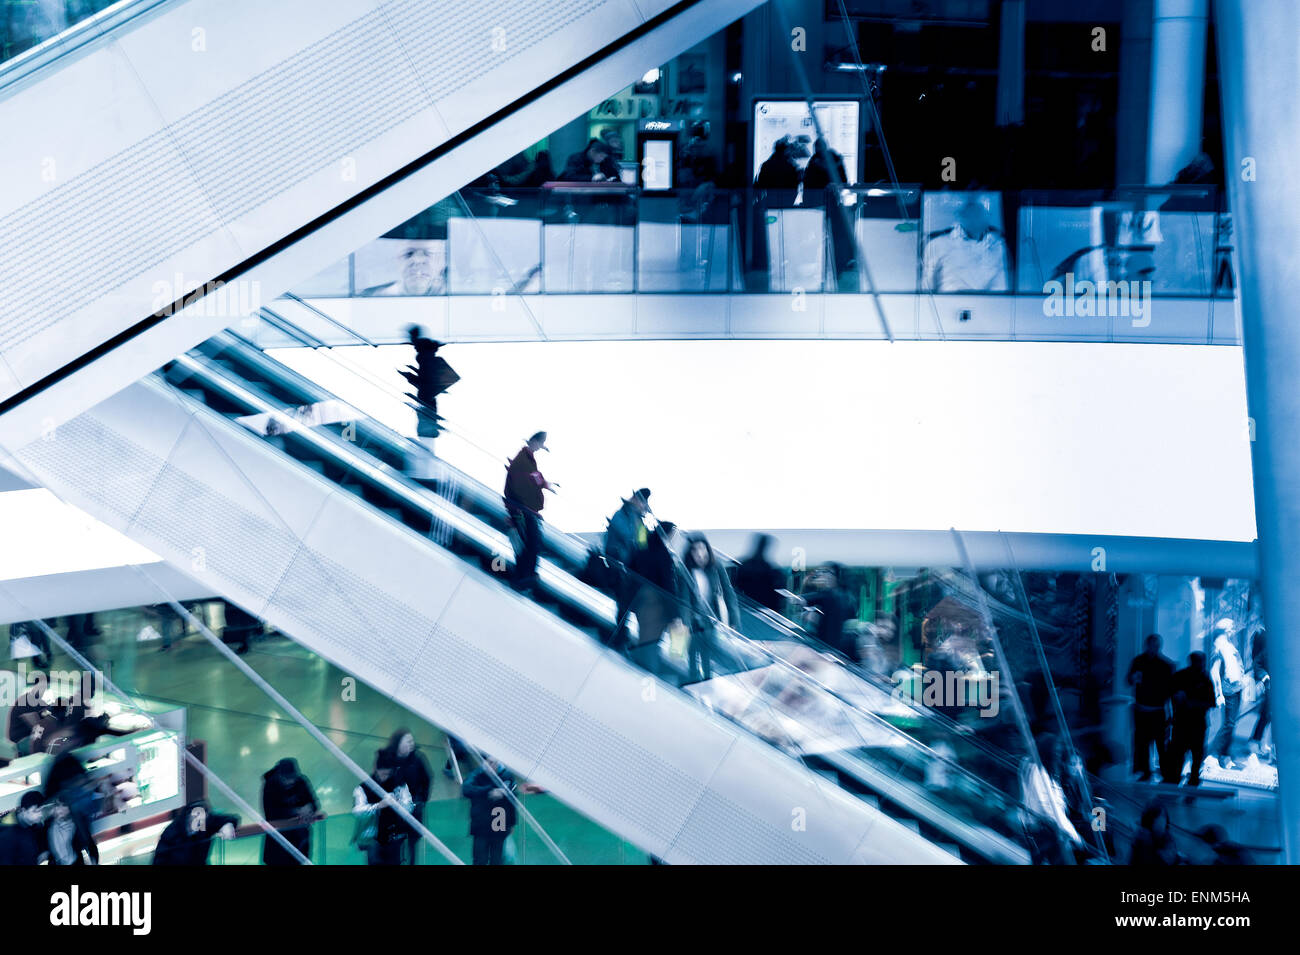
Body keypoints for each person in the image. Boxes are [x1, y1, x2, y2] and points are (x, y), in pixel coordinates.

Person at [627, 521, 690, 678]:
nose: (674, 538)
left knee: (645, 638)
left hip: (641, 602)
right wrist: (676, 616)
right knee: (651, 643)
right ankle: (647, 677)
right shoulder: (664, 555)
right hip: (656, 605)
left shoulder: (642, 547)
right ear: (666, 534)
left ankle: (639, 671)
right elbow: (668, 586)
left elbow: (630, 568)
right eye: (673, 534)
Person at [681, 533, 740, 683]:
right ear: (690, 553)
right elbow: (684, 600)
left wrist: (734, 619)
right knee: (692, 654)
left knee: (707, 654)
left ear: (707, 549)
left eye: (702, 548)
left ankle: (707, 681)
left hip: (710, 620)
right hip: (693, 621)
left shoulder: (716, 566)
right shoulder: (684, 569)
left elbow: (729, 593)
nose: (699, 554)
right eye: (694, 550)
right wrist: (685, 624)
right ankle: (693, 682)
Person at [400, 325, 459, 473]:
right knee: (426, 427)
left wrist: (409, 376)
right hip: (427, 399)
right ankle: (427, 464)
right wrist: (412, 373)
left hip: (426, 398)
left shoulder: (423, 353)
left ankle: (426, 466)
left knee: (425, 427)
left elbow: (425, 381)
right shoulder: (423, 350)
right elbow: (426, 378)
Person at [462, 755, 540, 865]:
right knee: (480, 860)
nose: (491, 766)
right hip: (481, 825)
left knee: (497, 860)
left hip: (499, 824)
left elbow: (513, 799)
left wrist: (511, 823)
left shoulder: (506, 776)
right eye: (489, 762)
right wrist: (488, 791)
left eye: (494, 762)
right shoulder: (477, 775)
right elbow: (466, 790)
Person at [922, 197, 1010, 292]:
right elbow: (926, 287)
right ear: (960, 217)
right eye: (970, 214)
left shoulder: (998, 246)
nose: (975, 219)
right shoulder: (938, 244)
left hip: (989, 304)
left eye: (978, 214)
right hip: (947, 303)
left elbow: (1001, 286)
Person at [503, 432, 554, 594]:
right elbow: (524, 483)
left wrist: (545, 484)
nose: (541, 447)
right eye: (540, 443)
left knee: (529, 544)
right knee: (530, 544)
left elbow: (534, 477)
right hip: (523, 511)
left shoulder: (528, 459)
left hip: (525, 510)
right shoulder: (523, 459)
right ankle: (523, 577)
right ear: (534, 441)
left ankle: (525, 576)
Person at [603, 488, 652, 648]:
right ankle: (620, 635)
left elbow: (642, 546)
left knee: (631, 602)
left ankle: (625, 635)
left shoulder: (640, 522)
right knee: (624, 601)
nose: (642, 505)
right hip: (618, 565)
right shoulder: (622, 514)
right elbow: (623, 538)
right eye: (640, 501)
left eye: (644, 502)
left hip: (631, 569)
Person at [352, 748, 413, 866]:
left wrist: (398, 804)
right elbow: (357, 811)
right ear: (376, 769)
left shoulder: (399, 785)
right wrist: (378, 806)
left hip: (394, 837)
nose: (384, 777)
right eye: (382, 773)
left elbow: (409, 806)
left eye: (388, 774)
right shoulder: (364, 788)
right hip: (373, 839)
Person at [1126, 633, 1175, 781]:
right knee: (1143, 743)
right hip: (1142, 709)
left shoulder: (1166, 665)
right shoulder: (1139, 662)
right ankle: (1145, 771)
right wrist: (1132, 678)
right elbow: (1128, 680)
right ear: (1146, 645)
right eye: (1151, 645)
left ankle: (1165, 772)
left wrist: (1171, 713)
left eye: (1156, 645)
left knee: (1161, 743)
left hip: (1157, 710)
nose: (1153, 648)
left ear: (1159, 646)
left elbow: (1170, 691)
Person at [1163, 652, 1216, 786]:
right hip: (1193, 721)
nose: (1201, 664)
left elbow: (1169, 694)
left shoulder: (1183, 676)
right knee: (1193, 753)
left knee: (1182, 752)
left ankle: (1176, 778)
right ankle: (1190, 779)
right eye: (1200, 661)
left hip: (1185, 721)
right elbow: (1211, 702)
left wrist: (1185, 703)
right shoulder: (1204, 678)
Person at [260, 758, 318, 866]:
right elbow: (270, 813)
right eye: (287, 779)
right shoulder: (270, 785)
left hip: (300, 840)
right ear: (279, 775)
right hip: (279, 843)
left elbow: (314, 803)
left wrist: (309, 807)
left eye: (293, 778)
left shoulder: (301, 781)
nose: (290, 782)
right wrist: (296, 811)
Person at [386, 729, 432, 865]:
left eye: (412, 741)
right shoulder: (389, 760)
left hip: (414, 808)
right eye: (408, 741)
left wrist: (423, 798)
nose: (411, 744)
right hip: (395, 810)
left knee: (413, 843)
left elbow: (427, 779)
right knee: (395, 844)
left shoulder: (418, 759)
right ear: (398, 743)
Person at [1209, 619, 1247, 768]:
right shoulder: (1219, 645)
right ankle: (1213, 755)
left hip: (1236, 688)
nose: (1233, 629)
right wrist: (1218, 694)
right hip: (1229, 690)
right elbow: (1214, 671)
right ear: (1225, 629)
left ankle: (1224, 755)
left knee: (1231, 724)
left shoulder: (1229, 644)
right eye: (1231, 627)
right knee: (1228, 724)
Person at [797, 563, 856, 659]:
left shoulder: (828, 594)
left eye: (825, 572)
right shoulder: (849, 598)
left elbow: (798, 600)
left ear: (836, 576)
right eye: (820, 572)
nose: (821, 575)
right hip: (840, 652)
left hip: (824, 650)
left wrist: (807, 583)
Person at [152, 799, 237, 866]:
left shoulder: (205, 824)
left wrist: (227, 825)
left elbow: (228, 818)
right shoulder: (171, 832)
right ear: (188, 816)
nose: (199, 822)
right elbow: (159, 859)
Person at [732, 533, 785, 612]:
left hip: (748, 607)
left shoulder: (744, 564)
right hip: (761, 608)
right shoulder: (770, 569)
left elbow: (737, 586)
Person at [46, 793, 99, 866]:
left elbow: (90, 843)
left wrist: (93, 860)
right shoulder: (49, 824)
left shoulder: (78, 824)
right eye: (57, 805)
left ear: (69, 808)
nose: (59, 809)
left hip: (75, 862)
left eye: (64, 805)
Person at [0, 791, 48, 865]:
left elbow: (40, 835)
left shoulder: (33, 822)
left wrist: (43, 850)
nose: (40, 814)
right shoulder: (7, 835)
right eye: (35, 811)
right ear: (23, 810)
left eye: (42, 810)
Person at [1247, 629, 1271, 761]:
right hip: (1271, 686)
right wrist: (1264, 677)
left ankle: (1261, 741)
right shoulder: (1262, 635)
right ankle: (1257, 741)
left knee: (1268, 716)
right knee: (1267, 714)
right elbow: (1257, 662)